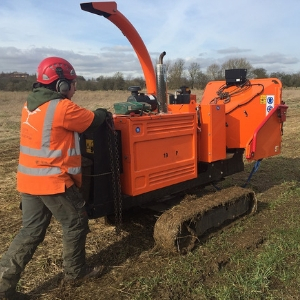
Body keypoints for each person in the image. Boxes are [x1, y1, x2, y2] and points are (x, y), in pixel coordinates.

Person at [0, 57, 110, 299]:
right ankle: (76, 273)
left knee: (30, 232)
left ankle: (3, 288)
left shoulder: (29, 105)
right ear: (60, 85)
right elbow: (94, 120)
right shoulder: (62, 108)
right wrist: (104, 111)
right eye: (72, 83)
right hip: (52, 181)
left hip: (28, 180)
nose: (74, 88)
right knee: (76, 222)